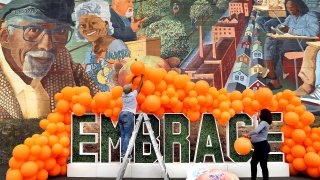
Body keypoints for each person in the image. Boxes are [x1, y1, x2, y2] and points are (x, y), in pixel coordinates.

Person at [0, 0, 100, 119]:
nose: (47, 46)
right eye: (34, 30)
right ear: (5, 37)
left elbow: (101, 102)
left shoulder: (62, 59)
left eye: (60, 31)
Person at [259, 0, 319, 90]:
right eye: (287, 8)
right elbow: (283, 26)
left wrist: (290, 30)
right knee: (271, 40)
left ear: (299, 6)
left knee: (275, 45)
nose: (289, 10)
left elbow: (313, 32)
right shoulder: (290, 17)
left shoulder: (310, 17)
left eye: (291, 7)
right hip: (291, 42)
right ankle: (272, 75)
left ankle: (273, 76)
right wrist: (277, 29)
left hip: (303, 43)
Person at [75, 0, 130, 92]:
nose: (87, 28)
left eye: (93, 23)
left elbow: (125, 79)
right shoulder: (90, 51)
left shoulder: (116, 45)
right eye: (83, 25)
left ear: (106, 24)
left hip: (112, 101)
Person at [119, 74, 144, 158]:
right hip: (128, 115)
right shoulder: (133, 94)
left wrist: (133, 78)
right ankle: (124, 153)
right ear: (130, 90)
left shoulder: (123, 94)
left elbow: (128, 86)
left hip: (121, 114)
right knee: (127, 135)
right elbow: (140, 86)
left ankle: (122, 152)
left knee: (123, 135)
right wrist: (142, 78)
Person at [243, 109, 272, 180]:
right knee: (253, 163)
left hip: (262, 146)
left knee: (263, 165)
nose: (257, 114)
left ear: (263, 114)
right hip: (259, 147)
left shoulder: (264, 122)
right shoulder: (262, 123)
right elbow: (259, 135)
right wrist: (250, 137)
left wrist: (248, 134)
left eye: (259, 113)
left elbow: (256, 131)